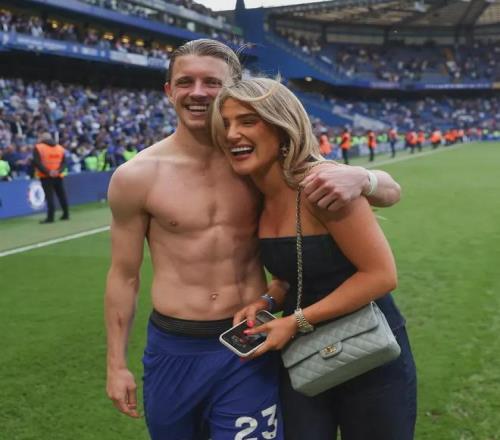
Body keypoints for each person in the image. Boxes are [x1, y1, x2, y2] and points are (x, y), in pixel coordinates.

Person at [104, 39, 403, 440]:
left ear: (235, 89)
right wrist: (115, 364)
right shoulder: (135, 177)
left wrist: (365, 177)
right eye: (186, 82)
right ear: (169, 90)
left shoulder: (257, 164)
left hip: (248, 343)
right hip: (174, 345)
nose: (197, 92)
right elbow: (124, 276)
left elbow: (385, 193)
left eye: (212, 82)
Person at [210, 77, 416, 440]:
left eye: (247, 121)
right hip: (304, 356)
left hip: (369, 352)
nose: (232, 134)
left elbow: (380, 275)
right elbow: (294, 274)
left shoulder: (323, 184)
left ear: (281, 127)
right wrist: (267, 300)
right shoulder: (257, 196)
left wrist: (295, 322)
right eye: (226, 124)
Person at [33, 132, 70, 223]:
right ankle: (66, 214)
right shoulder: (60, 148)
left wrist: (49, 172)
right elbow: (64, 163)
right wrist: (58, 171)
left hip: (45, 176)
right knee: (61, 195)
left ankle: (50, 217)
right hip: (58, 175)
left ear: (42, 138)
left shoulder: (38, 147)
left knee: (49, 197)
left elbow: (37, 162)